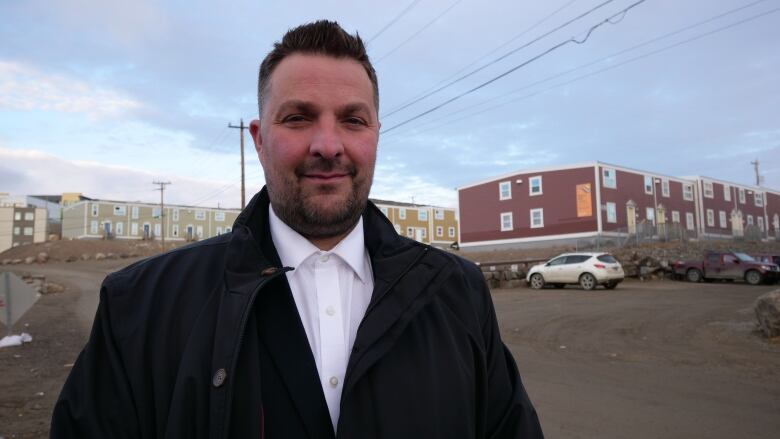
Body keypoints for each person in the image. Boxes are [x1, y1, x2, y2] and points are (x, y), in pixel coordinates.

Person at [51, 20, 543, 439]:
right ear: (259, 140)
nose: (328, 145)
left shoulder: (458, 294)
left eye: (353, 119)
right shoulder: (141, 306)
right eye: (298, 118)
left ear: (375, 135)